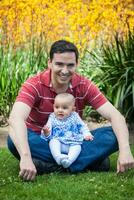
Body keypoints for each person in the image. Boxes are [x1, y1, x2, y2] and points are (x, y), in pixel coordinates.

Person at [7, 40, 134, 181]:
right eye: (59, 64)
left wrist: (125, 150)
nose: (65, 70)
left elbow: (116, 116)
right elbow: (15, 118)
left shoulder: (84, 85)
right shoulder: (34, 85)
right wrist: (25, 157)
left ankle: (49, 165)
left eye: (70, 65)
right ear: (50, 63)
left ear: (77, 64)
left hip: (74, 142)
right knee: (13, 139)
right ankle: (89, 162)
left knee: (113, 134)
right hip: (42, 141)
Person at [41, 93, 94, 168]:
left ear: (72, 109)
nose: (60, 110)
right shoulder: (52, 117)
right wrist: (46, 132)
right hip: (59, 141)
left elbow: (82, 126)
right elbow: (47, 128)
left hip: (73, 142)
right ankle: (58, 157)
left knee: (77, 147)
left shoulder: (74, 116)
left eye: (64, 108)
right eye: (57, 107)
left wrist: (87, 134)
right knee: (53, 142)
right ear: (53, 107)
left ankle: (69, 160)